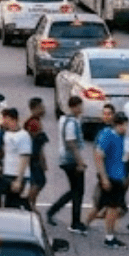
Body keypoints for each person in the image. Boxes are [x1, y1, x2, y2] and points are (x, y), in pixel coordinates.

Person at [86, 111, 129, 247]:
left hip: (116, 176)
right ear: (119, 124)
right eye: (126, 125)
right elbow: (98, 155)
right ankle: (109, 237)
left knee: (100, 205)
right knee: (113, 208)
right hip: (111, 177)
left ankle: (84, 224)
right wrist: (104, 178)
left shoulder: (119, 136)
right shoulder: (108, 135)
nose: (127, 127)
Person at [46, 95, 87, 232]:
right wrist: (80, 162)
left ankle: (57, 213)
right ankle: (74, 221)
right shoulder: (71, 122)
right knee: (78, 191)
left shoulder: (64, 119)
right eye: (80, 106)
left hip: (65, 159)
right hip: (71, 161)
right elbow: (71, 142)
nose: (81, 109)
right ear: (74, 107)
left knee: (75, 191)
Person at [0, 107, 32, 210]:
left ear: (12, 119)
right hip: (8, 174)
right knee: (10, 205)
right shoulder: (7, 134)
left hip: (17, 176)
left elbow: (25, 157)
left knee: (19, 205)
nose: (3, 121)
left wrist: (19, 180)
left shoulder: (23, 136)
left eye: (5, 118)